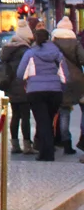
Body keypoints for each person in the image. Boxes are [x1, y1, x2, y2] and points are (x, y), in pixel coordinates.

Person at [16, 27, 67, 162]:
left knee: (42, 121)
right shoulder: (57, 53)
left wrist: (29, 80)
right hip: (55, 91)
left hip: (35, 91)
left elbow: (20, 73)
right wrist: (61, 88)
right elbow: (65, 74)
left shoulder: (30, 53)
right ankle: (45, 151)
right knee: (48, 121)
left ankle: (47, 153)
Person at [0, 17, 35, 154]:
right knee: (25, 116)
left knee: (15, 115)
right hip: (23, 86)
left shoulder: (7, 48)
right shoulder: (25, 51)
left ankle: (15, 144)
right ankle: (27, 144)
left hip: (10, 86)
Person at [51, 14, 84, 156]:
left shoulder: (53, 43)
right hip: (77, 80)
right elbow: (82, 59)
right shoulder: (74, 43)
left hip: (60, 78)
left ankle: (66, 143)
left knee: (64, 113)